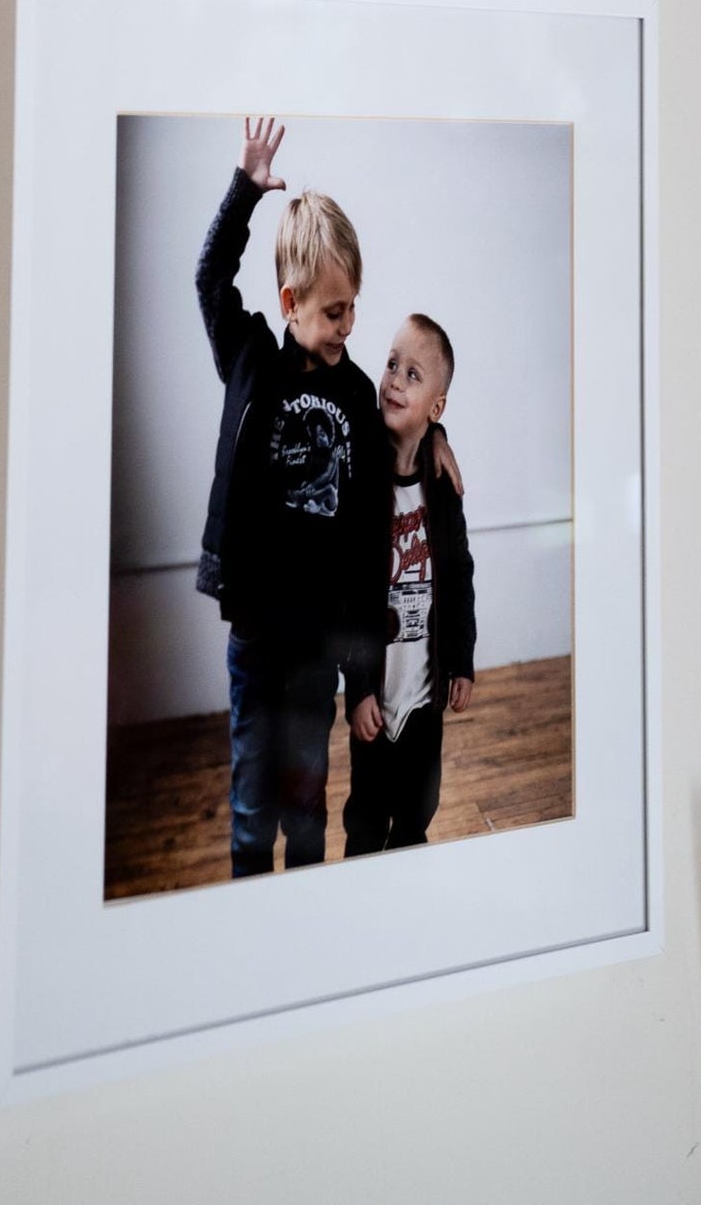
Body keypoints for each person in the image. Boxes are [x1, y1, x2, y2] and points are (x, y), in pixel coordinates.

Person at [194, 115, 390, 878]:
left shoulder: (360, 394)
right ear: (290, 301)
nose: (350, 323)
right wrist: (246, 188)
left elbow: (372, 532)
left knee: (306, 805)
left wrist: (366, 674)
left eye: (353, 305)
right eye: (335, 309)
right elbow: (209, 275)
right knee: (251, 809)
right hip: (254, 642)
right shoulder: (249, 361)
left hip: (319, 649)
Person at [342, 313, 474, 855]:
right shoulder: (362, 476)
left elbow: (460, 577)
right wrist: (357, 690)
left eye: (413, 375)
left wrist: (462, 660)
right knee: (366, 817)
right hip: (377, 692)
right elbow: (348, 596)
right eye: (392, 364)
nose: (395, 379)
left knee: (418, 810)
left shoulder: (441, 489)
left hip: (424, 695)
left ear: (436, 408)